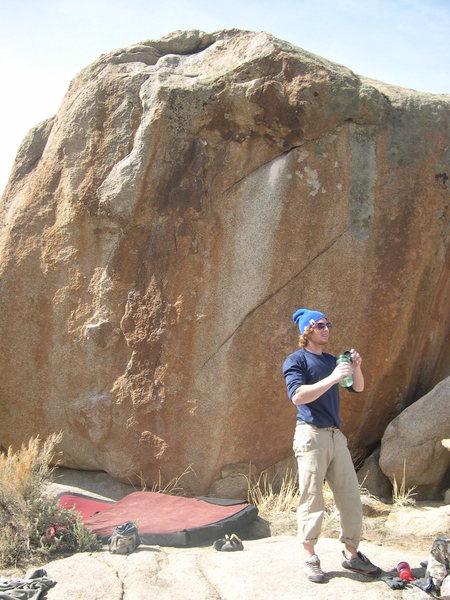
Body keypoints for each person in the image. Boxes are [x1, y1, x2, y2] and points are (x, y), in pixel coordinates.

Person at [282, 307, 381, 584]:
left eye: (329, 324)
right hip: (311, 434)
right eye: (321, 325)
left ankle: (352, 554)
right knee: (311, 497)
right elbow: (298, 396)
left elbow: (358, 388)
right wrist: (333, 378)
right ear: (307, 330)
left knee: (350, 496)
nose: (327, 329)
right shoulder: (296, 360)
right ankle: (310, 558)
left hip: (337, 437)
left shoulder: (331, 360)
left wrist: (355, 368)